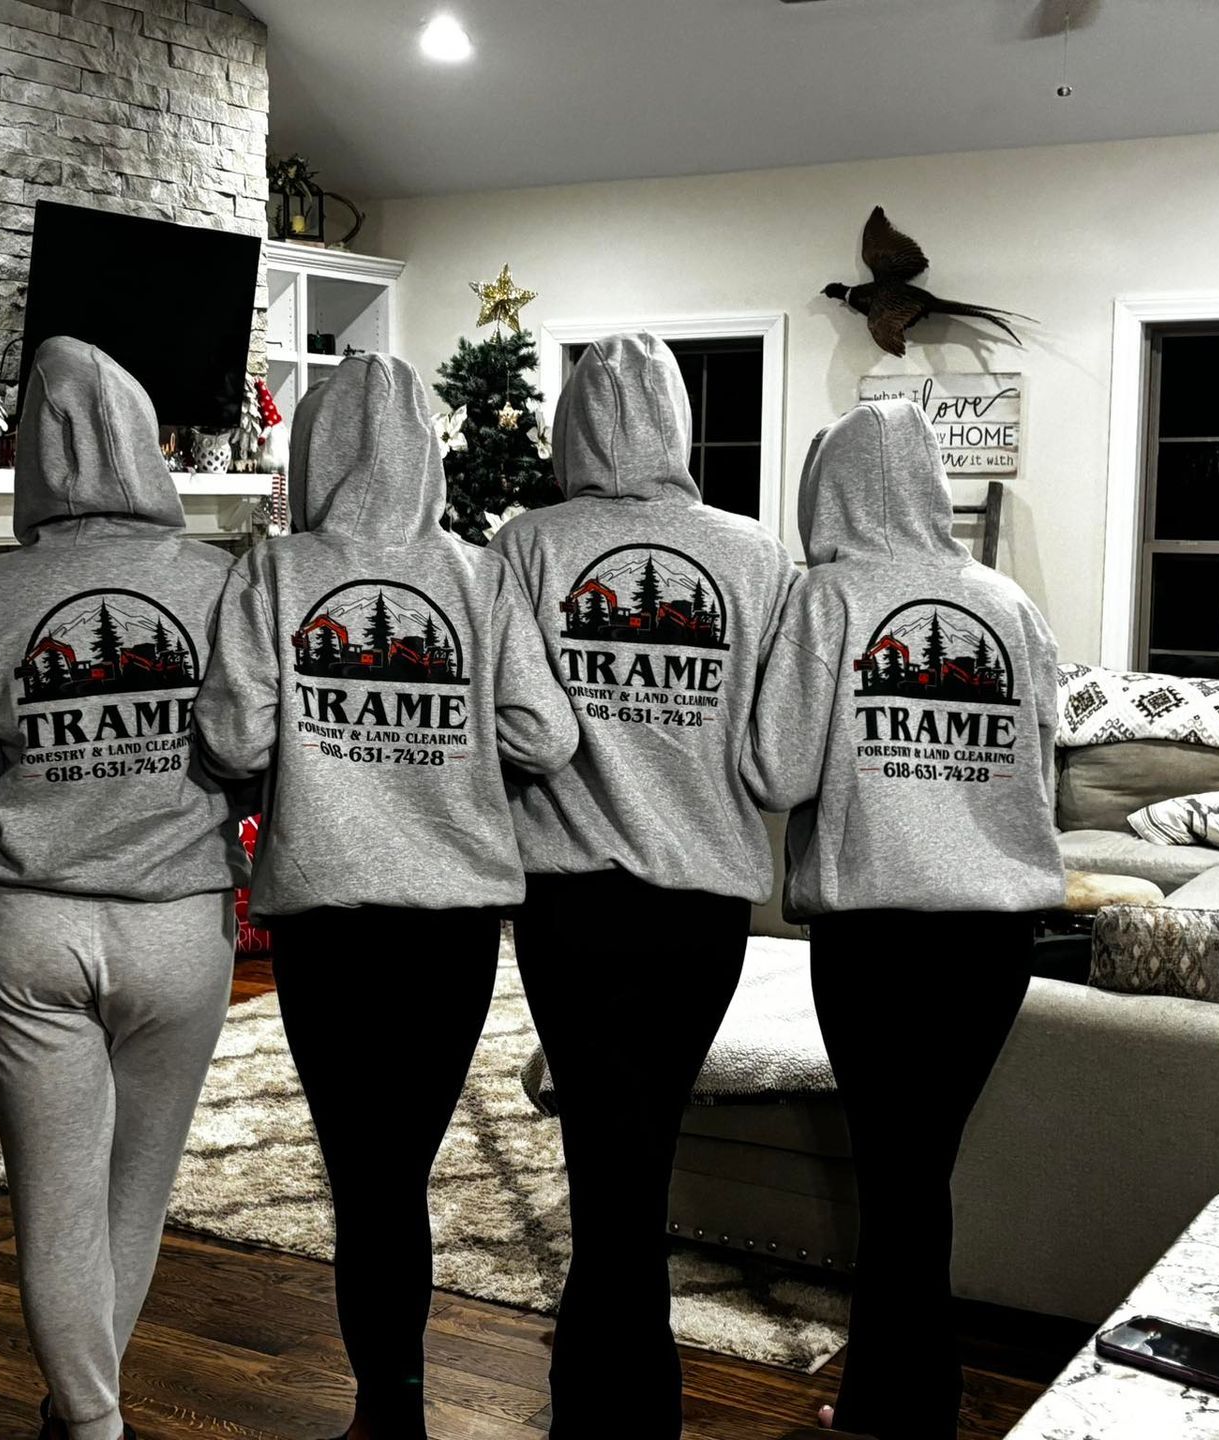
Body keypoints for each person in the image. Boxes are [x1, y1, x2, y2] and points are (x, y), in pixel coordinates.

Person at [195, 352, 578, 1440]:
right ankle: (394, 1403)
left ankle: (387, 1408)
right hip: (451, 922)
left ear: (314, 451)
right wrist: (452, 743)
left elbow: (232, 740)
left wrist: (317, 739)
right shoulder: (478, 575)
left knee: (362, 1172)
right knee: (403, 1165)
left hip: (325, 914)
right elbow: (546, 734)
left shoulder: (275, 571)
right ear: (427, 455)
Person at [0, 337, 249, 1440]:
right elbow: (252, 752)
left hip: (31, 926)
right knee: (131, 1197)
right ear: (147, 447)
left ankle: (88, 1425)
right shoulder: (224, 586)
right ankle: (84, 1417)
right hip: (178, 924)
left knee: (54, 1210)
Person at [490, 333, 798, 1438]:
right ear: (678, 420)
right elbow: (774, 751)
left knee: (598, 1151)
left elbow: (511, 725)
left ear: (571, 423)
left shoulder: (526, 545)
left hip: (568, 903)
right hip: (702, 910)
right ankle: (641, 1400)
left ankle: (596, 1401)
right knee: (649, 1143)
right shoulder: (757, 557)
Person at [745, 398, 1064, 1440]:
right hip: (995, 939)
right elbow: (1041, 757)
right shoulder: (1010, 604)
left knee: (899, 1176)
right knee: (918, 1172)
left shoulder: (827, 599)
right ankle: (903, 1399)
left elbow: (776, 770)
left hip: (879, 934)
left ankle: (900, 1410)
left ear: (829, 487)